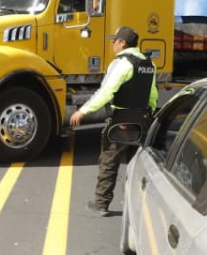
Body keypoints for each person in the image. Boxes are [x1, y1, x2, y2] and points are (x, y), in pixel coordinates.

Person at [68, 26, 159, 217]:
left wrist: (83, 111)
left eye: (114, 41)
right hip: (141, 120)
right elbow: (152, 95)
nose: (112, 44)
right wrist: (149, 114)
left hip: (120, 121)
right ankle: (135, 206)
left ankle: (101, 203)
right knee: (136, 165)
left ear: (122, 43)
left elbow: (106, 92)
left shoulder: (121, 64)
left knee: (109, 160)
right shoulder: (149, 64)